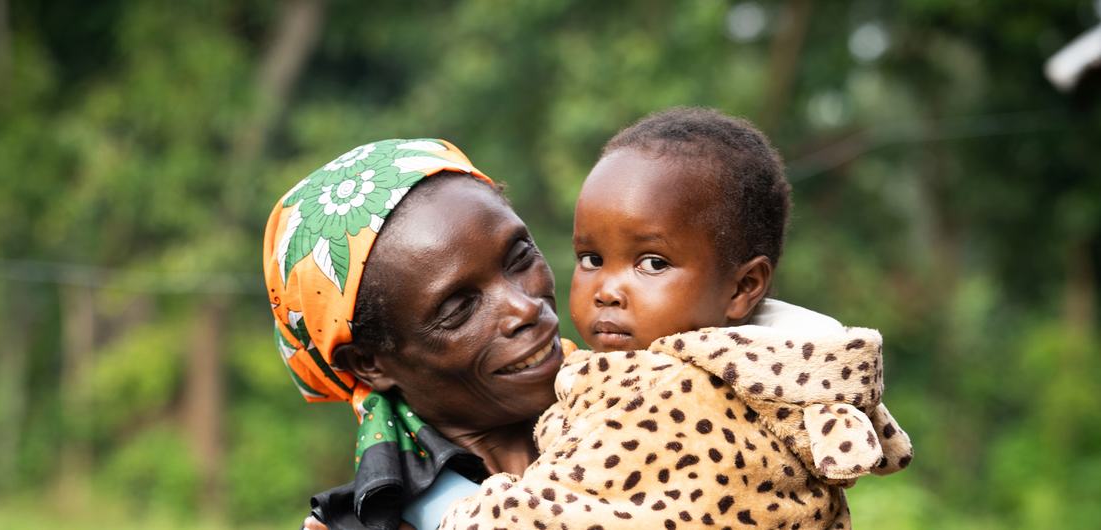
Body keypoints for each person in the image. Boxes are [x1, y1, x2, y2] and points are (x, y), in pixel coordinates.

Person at [434, 108, 912, 529]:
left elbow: (562, 519)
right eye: (592, 258)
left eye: (653, 263)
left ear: (743, 287)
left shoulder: (668, 395)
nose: (607, 290)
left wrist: (451, 510)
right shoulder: (773, 378)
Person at [264, 138, 573, 530]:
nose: (525, 308)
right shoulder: (377, 524)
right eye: (459, 308)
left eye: (520, 257)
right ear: (368, 363)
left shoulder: (652, 404)